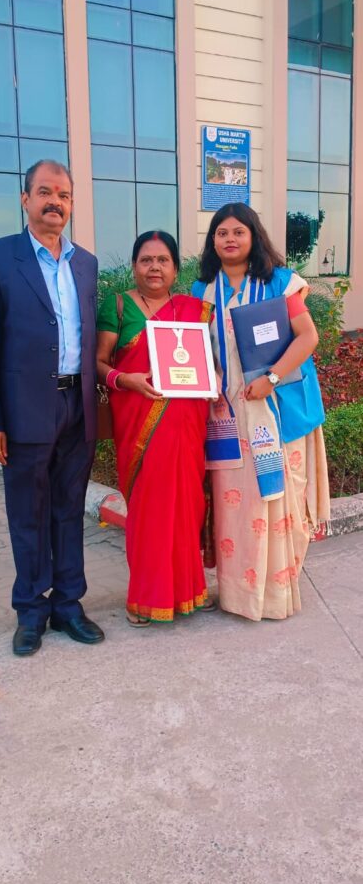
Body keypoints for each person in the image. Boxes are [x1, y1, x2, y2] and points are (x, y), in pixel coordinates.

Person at [0, 160, 104, 656]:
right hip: (26, 409)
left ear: (71, 204)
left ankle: (68, 604)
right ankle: (31, 610)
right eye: (45, 192)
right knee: (28, 512)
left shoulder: (85, 263)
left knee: (69, 509)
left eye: (64, 195)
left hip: (77, 406)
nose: (55, 202)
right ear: (25, 199)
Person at [192, 203, 330, 622]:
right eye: (221, 233)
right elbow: (196, 348)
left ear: (253, 236)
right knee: (235, 507)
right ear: (213, 241)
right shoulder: (202, 291)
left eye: (238, 231)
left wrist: (271, 377)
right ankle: (238, 595)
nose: (229, 239)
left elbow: (307, 337)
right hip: (226, 414)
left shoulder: (279, 283)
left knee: (280, 502)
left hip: (275, 409)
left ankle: (276, 592)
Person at [97, 230, 211, 626]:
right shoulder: (118, 306)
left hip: (186, 424)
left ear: (176, 268)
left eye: (163, 260)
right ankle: (146, 598)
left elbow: (209, 360)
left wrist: (211, 380)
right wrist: (124, 380)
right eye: (146, 260)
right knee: (149, 512)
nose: (154, 267)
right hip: (139, 426)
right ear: (134, 266)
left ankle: (189, 591)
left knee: (187, 506)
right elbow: (99, 362)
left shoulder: (193, 309)